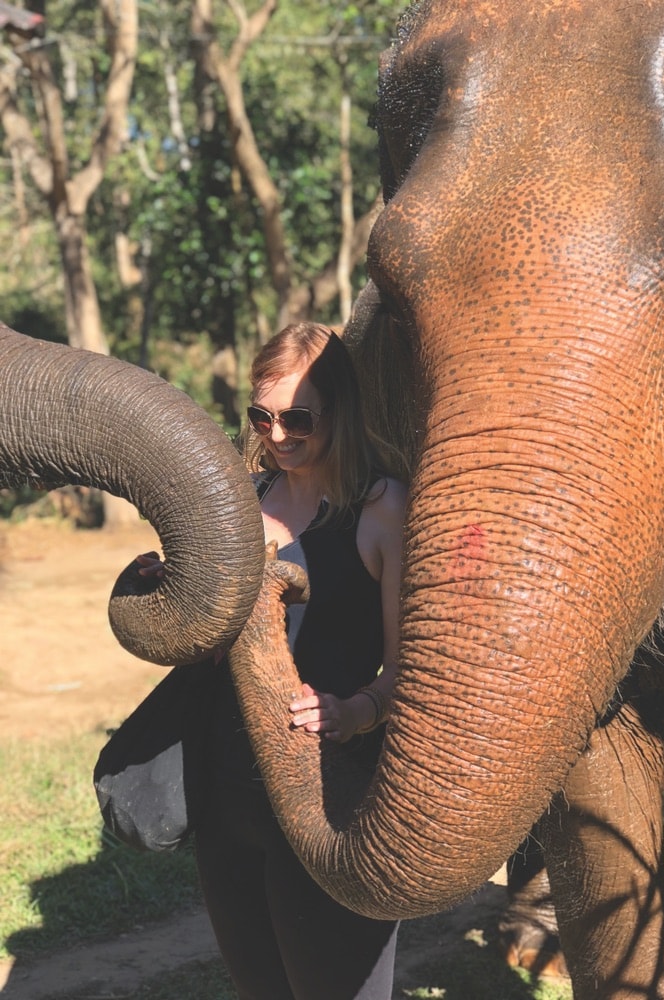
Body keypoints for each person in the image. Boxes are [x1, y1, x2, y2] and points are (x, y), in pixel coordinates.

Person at [139, 322, 406, 1000]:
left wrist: (356, 710)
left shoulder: (381, 510)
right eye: (262, 416)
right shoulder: (240, 502)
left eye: (298, 418)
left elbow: (411, 670)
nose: (277, 434)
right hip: (227, 791)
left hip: (332, 796)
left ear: (341, 411)